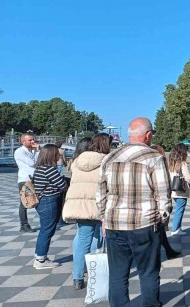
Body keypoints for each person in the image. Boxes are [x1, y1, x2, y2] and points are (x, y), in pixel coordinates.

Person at [97, 117, 171, 307]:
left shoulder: (110, 157)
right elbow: (163, 194)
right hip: (144, 224)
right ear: (148, 135)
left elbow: (101, 193)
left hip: (115, 223)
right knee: (148, 272)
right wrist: (162, 219)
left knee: (118, 274)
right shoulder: (154, 157)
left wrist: (104, 218)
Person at [62, 133, 109, 289]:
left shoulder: (76, 162)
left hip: (79, 205)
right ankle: (94, 270)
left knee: (83, 239)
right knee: (98, 238)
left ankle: (77, 278)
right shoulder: (105, 161)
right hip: (98, 204)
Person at [32, 144, 68, 269]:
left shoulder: (39, 168)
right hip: (49, 201)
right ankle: (41, 259)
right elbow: (62, 185)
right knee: (47, 230)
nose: (59, 155)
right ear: (51, 155)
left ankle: (39, 256)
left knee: (45, 229)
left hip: (42, 201)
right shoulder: (49, 169)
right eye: (56, 153)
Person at [150, 144, 181, 259]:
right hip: (157, 206)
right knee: (159, 231)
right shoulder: (159, 165)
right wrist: (165, 209)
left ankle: (168, 251)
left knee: (160, 232)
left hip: (155, 205)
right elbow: (163, 189)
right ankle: (166, 252)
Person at [14, 132, 39, 232]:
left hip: (34, 178)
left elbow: (39, 161)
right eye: (30, 140)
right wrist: (37, 151)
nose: (33, 141)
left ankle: (47, 220)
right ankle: (24, 225)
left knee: (38, 199)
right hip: (25, 180)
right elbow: (32, 163)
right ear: (22, 141)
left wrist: (36, 151)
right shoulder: (20, 151)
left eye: (33, 139)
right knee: (24, 202)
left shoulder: (32, 151)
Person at [168, 143, 190, 236]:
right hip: (181, 189)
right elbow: (187, 176)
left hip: (173, 188)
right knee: (180, 209)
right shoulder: (182, 163)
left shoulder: (171, 162)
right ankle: (175, 229)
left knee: (178, 208)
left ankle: (178, 228)